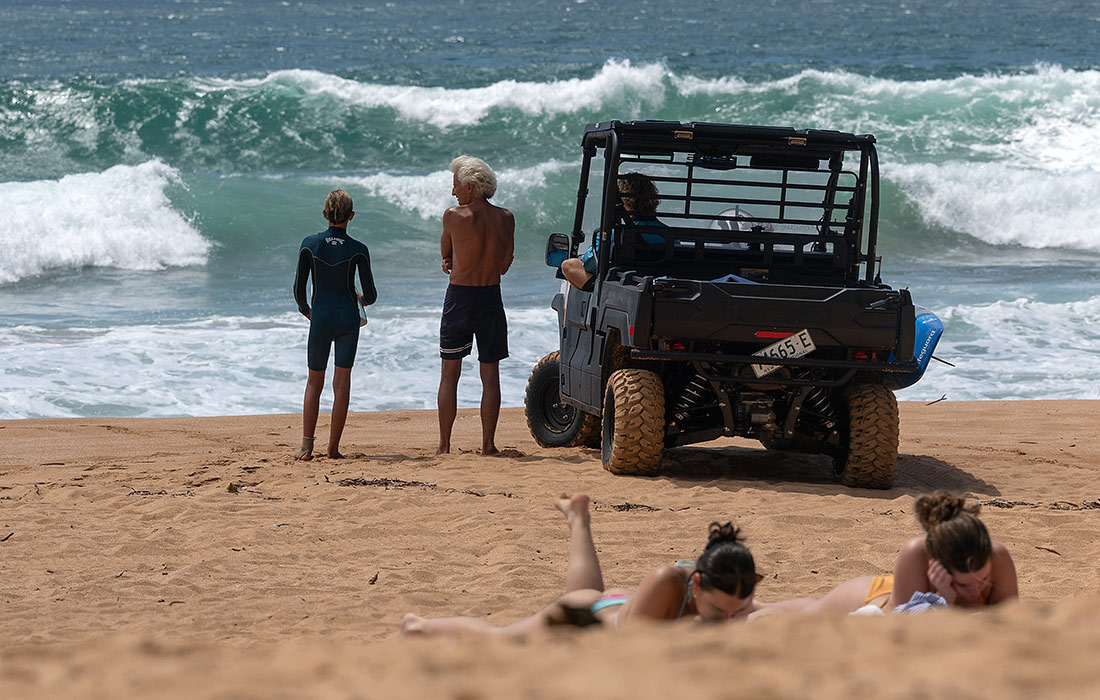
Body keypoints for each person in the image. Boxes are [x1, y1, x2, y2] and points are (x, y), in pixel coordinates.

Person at [400, 494, 774, 638]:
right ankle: (419, 625)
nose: (728, 621)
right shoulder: (665, 581)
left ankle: (579, 518)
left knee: (585, 591)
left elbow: (778, 611)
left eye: (736, 612)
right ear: (696, 585)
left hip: (615, 604)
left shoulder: (730, 586)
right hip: (590, 623)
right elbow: (634, 652)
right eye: (719, 612)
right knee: (502, 639)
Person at [796, 491, 1019, 614]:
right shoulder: (915, 553)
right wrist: (943, 598)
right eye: (963, 585)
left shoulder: (998, 557)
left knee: (804, 606)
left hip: (901, 590)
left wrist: (959, 598)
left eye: (984, 581)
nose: (976, 590)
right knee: (799, 616)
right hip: (877, 597)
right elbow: (904, 624)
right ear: (937, 565)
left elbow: (1008, 622)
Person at [436, 155, 515, 456]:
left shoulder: (453, 216)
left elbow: (446, 254)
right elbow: (505, 264)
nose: (453, 191)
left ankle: (444, 446)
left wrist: (450, 261)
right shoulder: (506, 217)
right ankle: (488, 445)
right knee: (490, 373)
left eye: (456, 185)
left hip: (460, 297)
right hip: (490, 297)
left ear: (470, 187)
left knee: (449, 373)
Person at [293, 189, 377, 461]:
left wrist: (308, 312)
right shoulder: (358, 250)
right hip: (346, 320)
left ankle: (306, 448)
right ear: (351, 216)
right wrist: (359, 297)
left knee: (313, 382)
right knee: (342, 383)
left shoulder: (309, 244)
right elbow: (371, 295)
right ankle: (332, 449)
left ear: (325, 214)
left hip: (320, 318)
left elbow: (299, 290)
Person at [561, 172, 666, 291]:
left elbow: (590, 264)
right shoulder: (669, 235)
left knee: (569, 265)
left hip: (621, 289)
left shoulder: (615, 235)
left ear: (622, 200)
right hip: (654, 288)